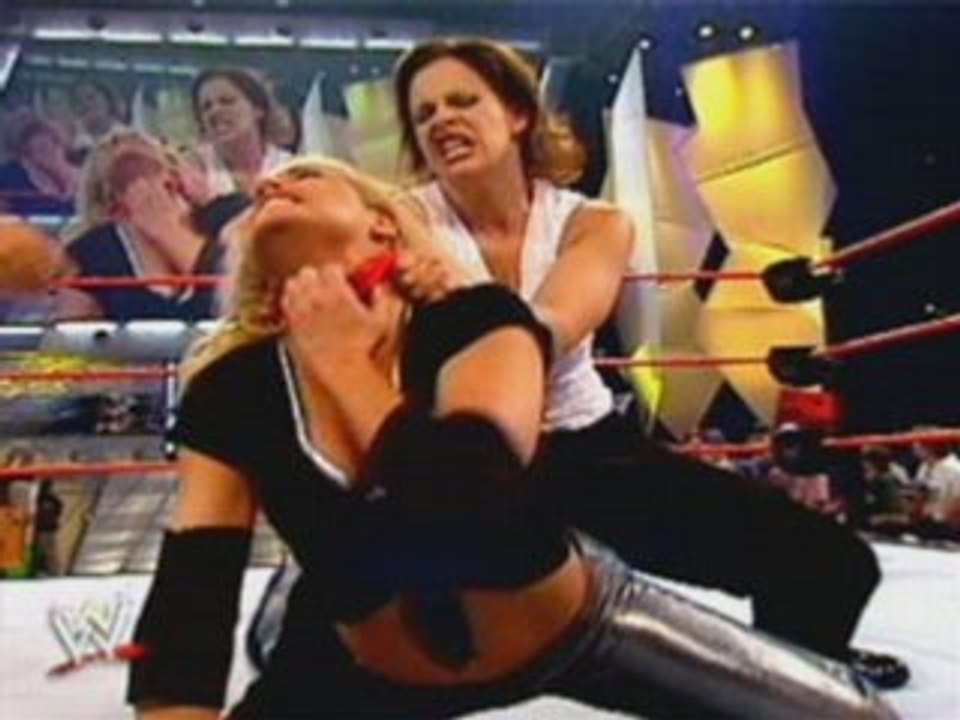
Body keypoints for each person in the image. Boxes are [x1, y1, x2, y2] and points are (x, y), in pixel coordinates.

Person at [126, 156, 894, 720]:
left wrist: (344, 363)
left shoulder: (476, 319)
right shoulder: (231, 387)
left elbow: (476, 511)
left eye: (304, 178)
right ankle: (288, 618)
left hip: (572, 624)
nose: (270, 184)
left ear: (382, 223)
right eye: (264, 190)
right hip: (373, 671)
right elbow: (193, 588)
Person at [391, 36, 907, 688]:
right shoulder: (400, 220)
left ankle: (792, 683)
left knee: (830, 562)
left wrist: (459, 303)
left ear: (518, 113)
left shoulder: (593, 223)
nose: (442, 120)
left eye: (462, 101)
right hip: (466, 462)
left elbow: (557, 322)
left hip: (586, 452)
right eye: (425, 113)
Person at [53, 129, 246, 321]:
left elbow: (248, 296)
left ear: (176, 178)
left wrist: (166, 228)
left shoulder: (231, 216)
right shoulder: (90, 255)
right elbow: (70, 333)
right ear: (111, 206)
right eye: (126, 185)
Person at [189, 67, 293, 197]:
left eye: (227, 101)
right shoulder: (194, 168)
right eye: (206, 107)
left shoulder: (289, 167)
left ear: (258, 109)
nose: (215, 111)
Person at [0, 109, 77, 217]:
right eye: (42, 148)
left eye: (55, 143)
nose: (51, 150)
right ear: (25, 151)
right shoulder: (8, 177)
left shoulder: (82, 175)